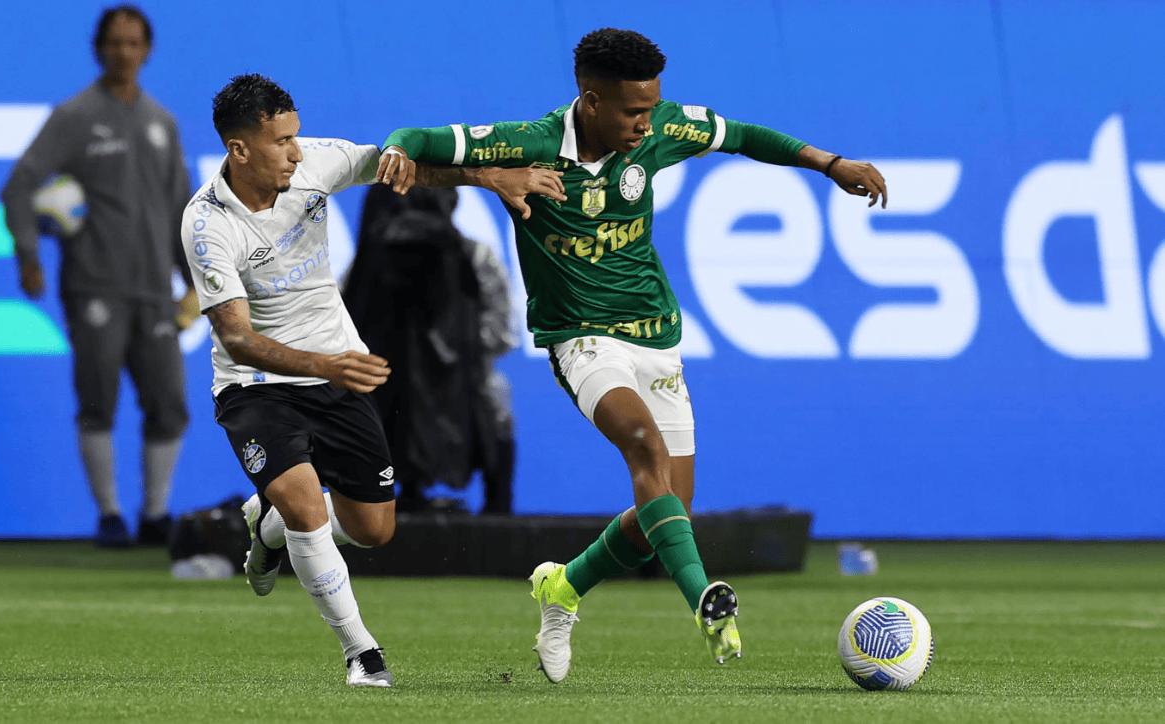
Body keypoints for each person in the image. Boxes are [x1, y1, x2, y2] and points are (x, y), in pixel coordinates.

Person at [380, 27, 888, 682]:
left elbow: (742, 136)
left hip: (656, 336)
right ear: (590, 101)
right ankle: (706, 600)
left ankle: (561, 590)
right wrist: (405, 154)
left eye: (652, 108)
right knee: (642, 446)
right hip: (582, 338)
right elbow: (419, 142)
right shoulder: (530, 144)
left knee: (660, 516)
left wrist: (830, 162)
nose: (646, 123)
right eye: (632, 111)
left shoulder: (663, 129)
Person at [182, 73, 546, 687]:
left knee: (373, 529)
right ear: (238, 149)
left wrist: (489, 177)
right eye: (281, 142)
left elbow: (405, 170)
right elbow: (237, 338)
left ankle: (264, 523)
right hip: (255, 384)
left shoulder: (316, 163)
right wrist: (323, 365)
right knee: (305, 506)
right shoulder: (206, 224)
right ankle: (362, 654)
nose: (297, 152)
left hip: (336, 371)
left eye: (296, 136)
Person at [0, 5, 197, 548]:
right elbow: (19, 185)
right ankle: (110, 514)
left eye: (133, 43)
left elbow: (180, 205)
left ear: (148, 51)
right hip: (94, 284)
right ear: (98, 49)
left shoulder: (161, 121)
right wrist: (28, 254)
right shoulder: (75, 116)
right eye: (114, 43)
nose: (123, 53)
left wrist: (195, 279)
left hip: (154, 288)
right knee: (98, 399)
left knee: (169, 402)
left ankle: (156, 513)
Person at [342, 185, 518, 514]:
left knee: (495, 399)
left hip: (462, 387)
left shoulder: (471, 258)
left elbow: (498, 328)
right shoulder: (368, 266)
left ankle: (498, 520)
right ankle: (497, 511)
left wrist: (459, 356)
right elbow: (502, 333)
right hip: (382, 391)